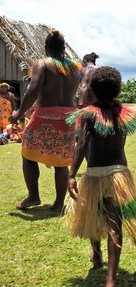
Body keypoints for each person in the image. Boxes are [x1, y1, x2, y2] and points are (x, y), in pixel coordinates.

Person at [64, 66, 136, 287]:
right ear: (118, 89)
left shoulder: (87, 115)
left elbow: (82, 145)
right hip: (118, 174)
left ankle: (96, 254)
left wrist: (72, 174)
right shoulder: (124, 113)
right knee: (115, 224)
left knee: (92, 216)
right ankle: (111, 279)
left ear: (92, 90)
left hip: (94, 173)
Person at [10, 30, 81, 212]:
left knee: (28, 153)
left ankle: (33, 196)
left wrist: (18, 112)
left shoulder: (42, 64)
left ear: (45, 47)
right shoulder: (75, 68)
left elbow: (32, 91)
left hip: (45, 116)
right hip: (69, 116)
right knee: (61, 160)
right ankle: (58, 203)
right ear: (64, 48)